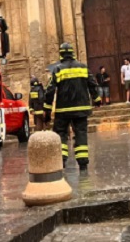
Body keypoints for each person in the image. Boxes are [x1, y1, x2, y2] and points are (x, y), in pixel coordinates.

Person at [45, 42, 101, 171]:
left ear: (61, 54)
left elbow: (49, 90)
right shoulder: (83, 67)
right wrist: (96, 99)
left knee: (61, 134)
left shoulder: (58, 69)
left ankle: (62, 161)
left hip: (63, 110)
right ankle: (83, 163)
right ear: (73, 53)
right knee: (81, 133)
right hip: (81, 109)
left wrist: (47, 110)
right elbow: (93, 84)